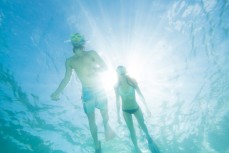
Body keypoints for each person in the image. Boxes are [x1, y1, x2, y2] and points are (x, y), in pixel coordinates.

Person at [51, 33, 115, 153]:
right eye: (74, 38)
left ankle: (107, 127)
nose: (76, 40)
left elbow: (105, 68)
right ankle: (97, 144)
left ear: (83, 41)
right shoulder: (70, 61)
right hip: (87, 92)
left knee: (104, 114)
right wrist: (57, 92)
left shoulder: (91, 53)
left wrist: (95, 70)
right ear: (71, 42)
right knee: (91, 119)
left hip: (99, 88)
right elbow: (66, 78)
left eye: (78, 38)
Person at [114, 66, 160, 153]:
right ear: (117, 73)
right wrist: (118, 116)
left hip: (136, 108)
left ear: (125, 71)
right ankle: (136, 148)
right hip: (125, 111)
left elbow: (140, 94)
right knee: (131, 130)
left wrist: (147, 108)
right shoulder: (116, 86)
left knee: (142, 124)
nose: (122, 73)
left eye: (123, 71)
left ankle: (148, 138)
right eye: (120, 72)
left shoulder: (132, 81)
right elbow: (117, 101)